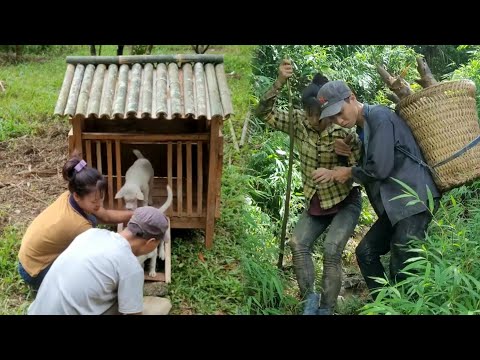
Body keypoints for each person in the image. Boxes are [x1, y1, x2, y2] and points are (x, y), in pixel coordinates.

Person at [314, 80, 441, 298]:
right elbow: (371, 166)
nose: (339, 120)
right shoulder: (364, 129)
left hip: (414, 199)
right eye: (333, 117)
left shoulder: (380, 117)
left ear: (352, 98)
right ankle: (389, 305)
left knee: (403, 262)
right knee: (365, 252)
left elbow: (380, 168)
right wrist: (348, 156)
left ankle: (408, 308)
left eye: (340, 112)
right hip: (397, 205)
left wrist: (348, 172)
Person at [255, 60, 362, 315]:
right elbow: (263, 112)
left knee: (331, 250)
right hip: (317, 201)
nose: (312, 120)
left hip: (345, 201)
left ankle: (327, 308)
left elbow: (362, 169)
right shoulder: (298, 122)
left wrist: (348, 155)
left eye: (317, 115)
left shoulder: (343, 131)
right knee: (298, 243)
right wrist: (280, 81)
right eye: (308, 113)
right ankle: (309, 301)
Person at [18, 153, 134, 290]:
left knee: (92, 218)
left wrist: (135, 214)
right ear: (77, 196)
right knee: (90, 272)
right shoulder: (78, 225)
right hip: (35, 271)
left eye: (101, 198)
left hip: (29, 259)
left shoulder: (69, 197)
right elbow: (104, 251)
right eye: (94, 201)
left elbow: (106, 216)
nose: (99, 204)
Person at [28, 206, 172, 315]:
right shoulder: (131, 267)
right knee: (162, 306)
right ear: (151, 242)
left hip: (36, 311)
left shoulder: (91, 234)